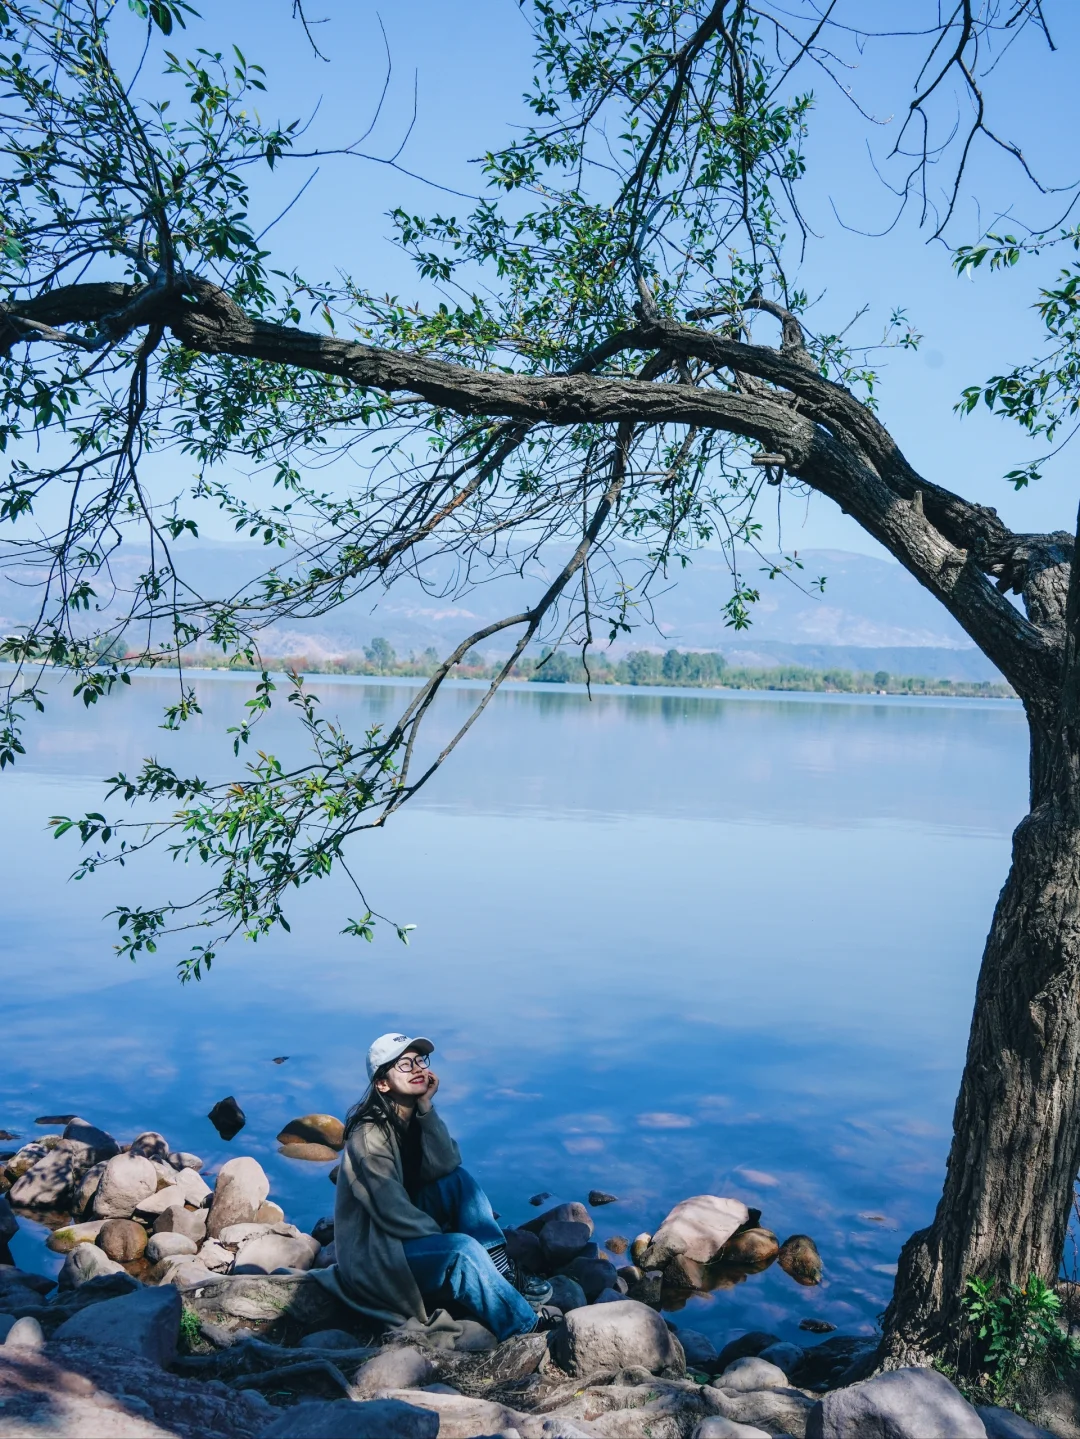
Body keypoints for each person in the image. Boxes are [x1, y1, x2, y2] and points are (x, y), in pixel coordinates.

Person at [331, 1031, 558, 1340]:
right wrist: (447, 1243)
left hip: (400, 1236)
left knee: (458, 1181)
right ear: (382, 1084)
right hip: (377, 1256)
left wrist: (426, 1107)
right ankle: (526, 1328)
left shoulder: (409, 1117)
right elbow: (392, 1210)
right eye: (404, 1065)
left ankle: (500, 1270)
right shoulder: (369, 1135)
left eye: (419, 1061)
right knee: (462, 1251)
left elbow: (448, 1163)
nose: (417, 1069)